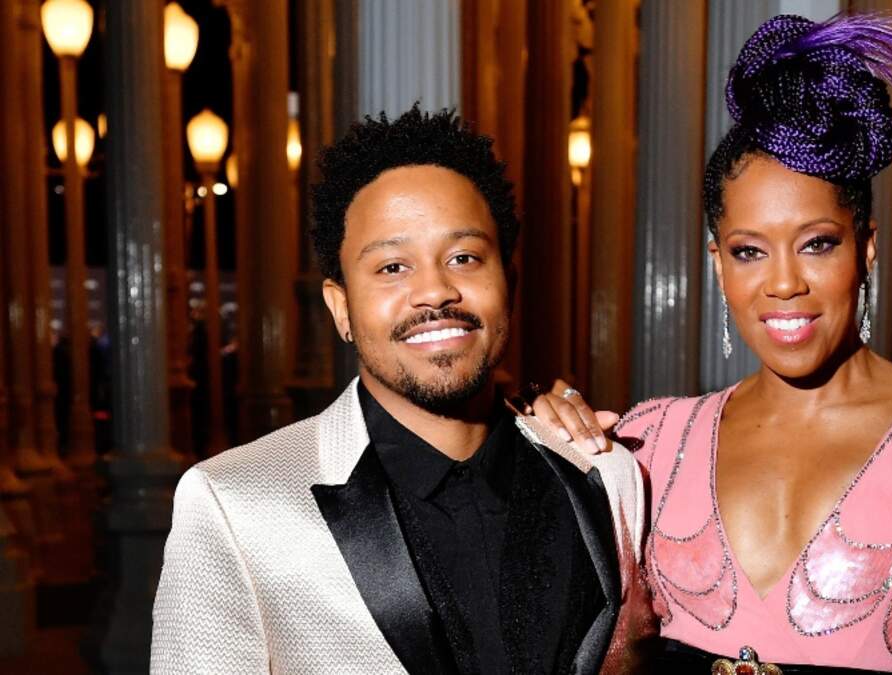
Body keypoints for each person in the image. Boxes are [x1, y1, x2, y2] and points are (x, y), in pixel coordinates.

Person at [532, 14, 892, 673]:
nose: (784, 283)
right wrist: (542, 450)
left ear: (866, 248)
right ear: (717, 263)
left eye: (817, 243)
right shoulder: (653, 446)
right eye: (749, 251)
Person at [151, 106, 651, 674]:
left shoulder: (603, 472)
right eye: (392, 267)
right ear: (341, 307)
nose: (434, 290)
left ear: (507, 284)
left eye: (464, 257)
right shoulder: (234, 502)